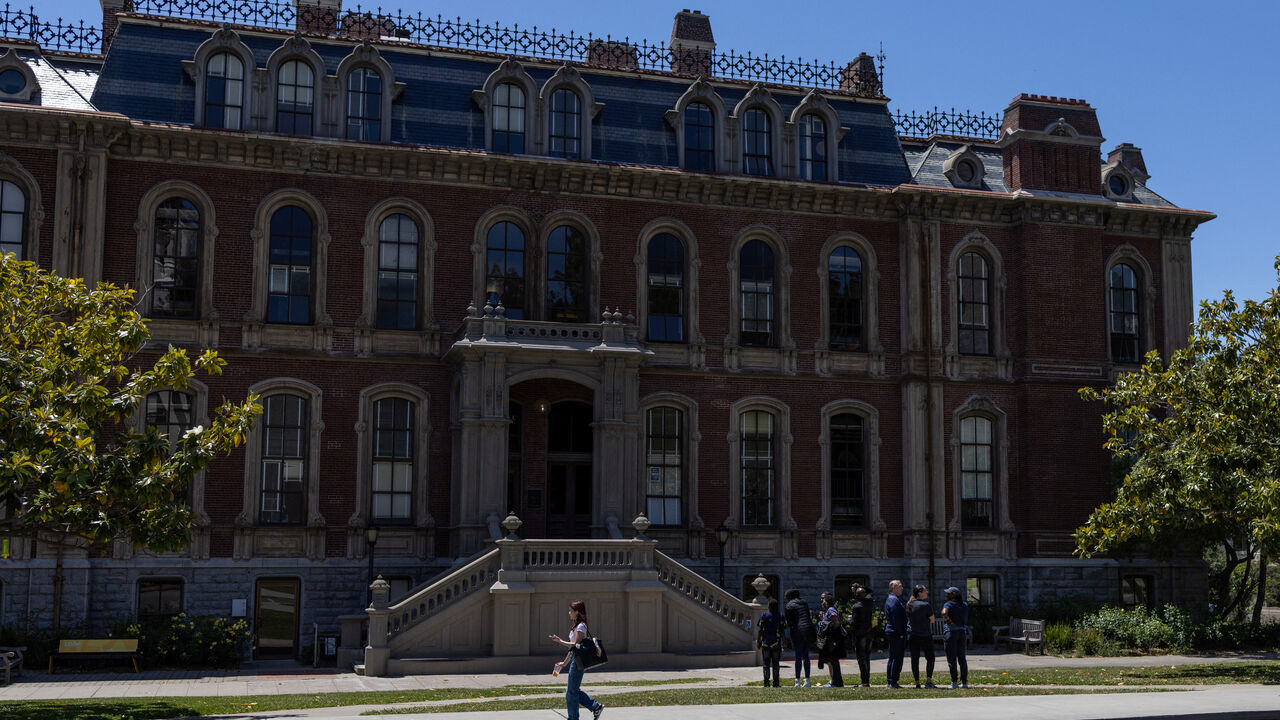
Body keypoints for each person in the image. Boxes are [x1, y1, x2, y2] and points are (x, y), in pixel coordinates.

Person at [550, 600, 605, 720]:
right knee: (572, 691)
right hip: (575, 660)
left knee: (571, 692)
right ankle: (595, 706)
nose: (569, 612)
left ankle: (575, 717)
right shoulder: (575, 626)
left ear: (577, 612)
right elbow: (573, 650)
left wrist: (559, 641)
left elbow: (574, 645)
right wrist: (563, 663)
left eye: (571, 611)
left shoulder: (581, 626)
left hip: (579, 662)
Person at [906, 584, 937, 688]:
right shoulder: (925, 605)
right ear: (920, 593)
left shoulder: (909, 604)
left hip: (913, 635)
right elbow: (932, 620)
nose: (927, 592)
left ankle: (917, 682)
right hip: (925, 635)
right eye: (925, 591)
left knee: (915, 659)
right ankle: (928, 681)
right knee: (930, 658)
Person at [783, 588, 813, 688]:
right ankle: (807, 680)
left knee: (798, 656)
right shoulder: (804, 603)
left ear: (789, 597)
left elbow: (790, 623)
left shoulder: (789, 605)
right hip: (808, 630)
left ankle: (797, 681)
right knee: (806, 656)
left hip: (798, 631)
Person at [941, 586, 969, 689]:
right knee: (962, 658)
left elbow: (944, 612)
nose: (947, 595)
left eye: (949, 593)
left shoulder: (948, 604)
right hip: (962, 632)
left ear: (954, 595)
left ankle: (954, 682)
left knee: (951, 658)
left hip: (951, 633)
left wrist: (948, 620)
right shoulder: (964, 604)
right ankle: (964, 682)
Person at [816, 591, 845, 687]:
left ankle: (836, 682)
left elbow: (836, 622)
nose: (822, 602)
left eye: (823, 600)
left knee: (834, 661)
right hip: (830, 640)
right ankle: (836, 681)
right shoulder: (829, 611)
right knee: (833, 660)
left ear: (827, 602)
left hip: (833, 640)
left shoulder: (831, 610)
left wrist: (830, 630)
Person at [848, 583, 875, 687]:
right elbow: (871, 591)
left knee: (861, 658)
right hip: (869, 634)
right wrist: (861, 586)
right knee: (867, 657)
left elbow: (854, 623)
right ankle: (866, 680)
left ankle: (864, 681)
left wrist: (849, 621)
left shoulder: (857, 606)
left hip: (860, 635)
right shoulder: (869, 601)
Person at [883, 579, 907, 689]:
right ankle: (893, 681)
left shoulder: (892, 599)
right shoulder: (894, 600)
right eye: (900, 586)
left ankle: (891, 680)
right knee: (896, 657)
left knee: (893, 657)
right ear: (894, 588)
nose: (902, 588)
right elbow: (896, 618)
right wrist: (901, 632)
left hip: (892, 631)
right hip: (895, 632)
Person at [757, 599, 784, 687]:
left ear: (768, 606)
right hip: (776, 644)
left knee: (766, 663)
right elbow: (782, 631)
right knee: (776, 663)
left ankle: (766, 682)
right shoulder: (780, 616)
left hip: (765, 644)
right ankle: (776, 683)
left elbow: (760, 630)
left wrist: (758, 641)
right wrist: (784, 643)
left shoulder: (764, 615)